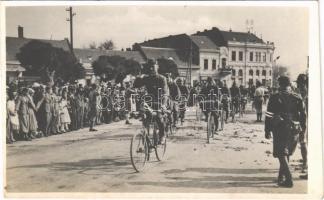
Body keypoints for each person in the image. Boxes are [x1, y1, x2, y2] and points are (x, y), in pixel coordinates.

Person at [265, 76, 306, 187]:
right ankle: (281, 176)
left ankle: (289, 179)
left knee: (281, 153)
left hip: (280, 127)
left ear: (280, 84)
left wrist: (267, 130)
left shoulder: (274, 97)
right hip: (295, 128)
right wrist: (303, 128)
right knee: (286, 152)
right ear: (289, 85)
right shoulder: (297, 97)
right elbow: (303, 115)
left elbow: (269, 115)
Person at [134, 59, 169, 143]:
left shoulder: (162, 78)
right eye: (150, 67)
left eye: (153, 67)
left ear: (157, 67)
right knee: (145, 120)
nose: (151, 69)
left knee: (159, 118)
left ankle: (162, 135)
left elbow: (165, 93)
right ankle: (145, 142)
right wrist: (138, 77)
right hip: (149, 102)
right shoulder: (147, 78)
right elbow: (136, 85)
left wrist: (163, 105)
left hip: (159, 101)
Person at [296, 73, 308, 179]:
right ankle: (305, 161)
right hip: (305, 120)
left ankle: (305, 163)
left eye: (299, 83)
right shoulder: (303, 91)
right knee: (303, 141)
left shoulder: (304, 93)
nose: (298, 86)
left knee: (303, 141)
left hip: (305, 120)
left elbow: (303, 110)